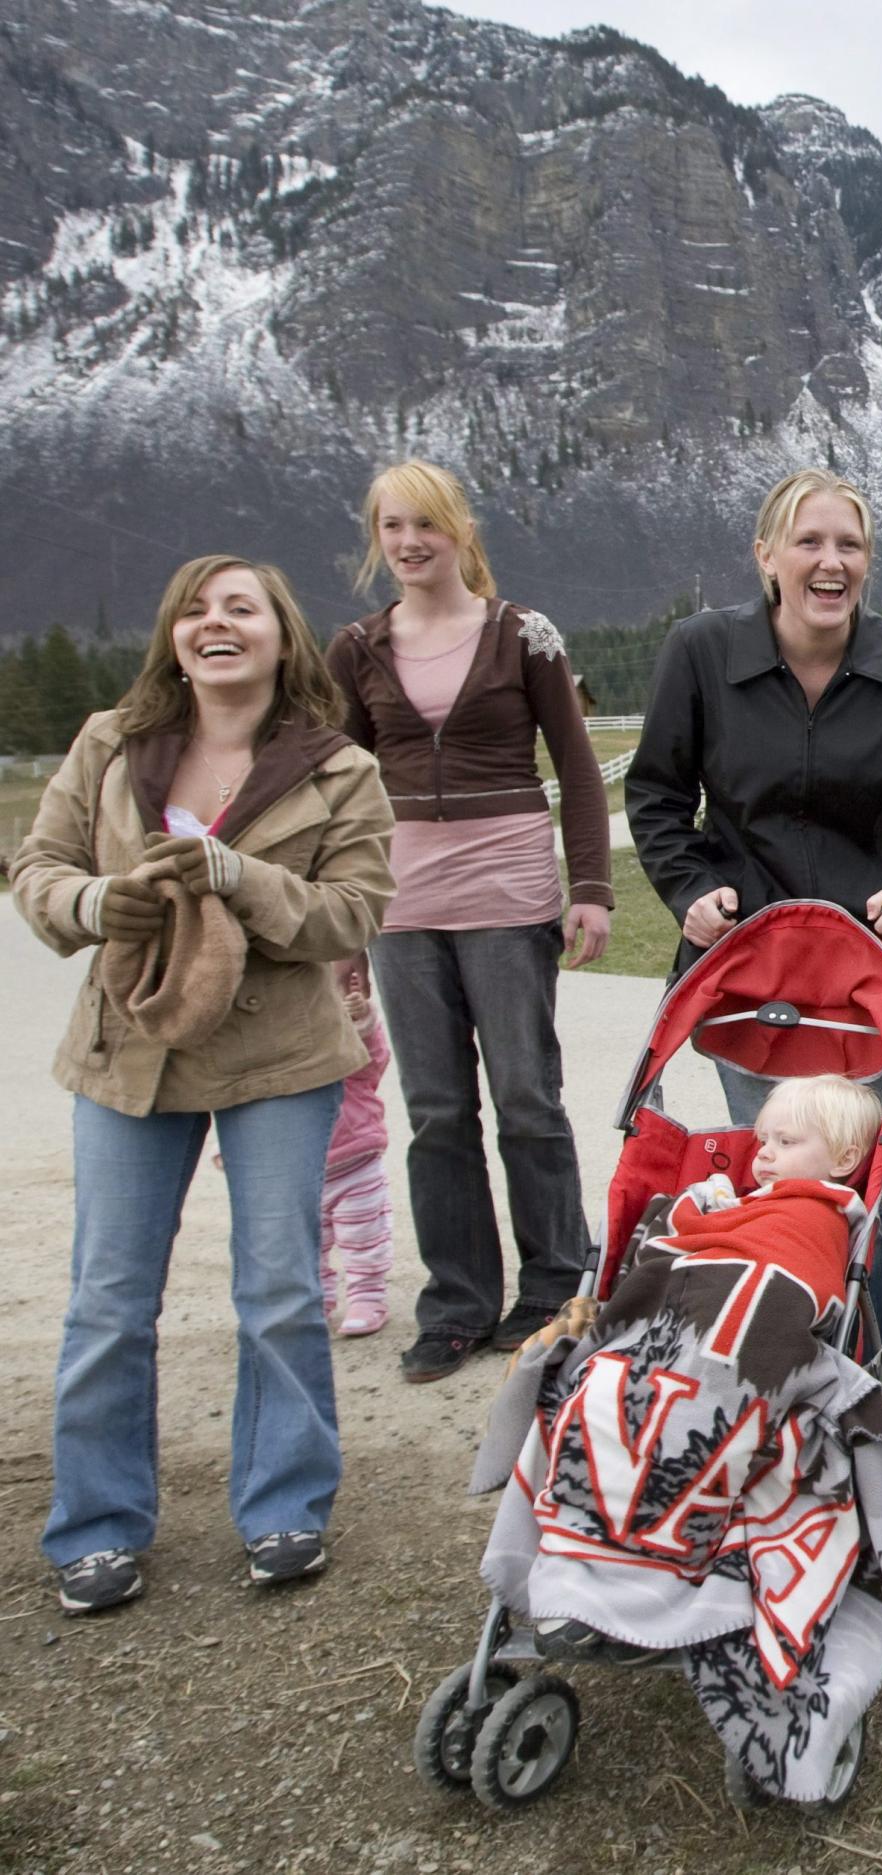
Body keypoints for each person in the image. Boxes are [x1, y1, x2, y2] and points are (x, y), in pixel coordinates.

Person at [14, 554, 395, 1614]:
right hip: (128, 1049)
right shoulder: (110, 743)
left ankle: (284, 1510)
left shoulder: (337, 770)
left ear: (281, 636)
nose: (213, 621)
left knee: (277, 1292)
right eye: (195, 608)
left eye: (240, 607)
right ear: (172, 637)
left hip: (279, 1053)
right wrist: (100, 907)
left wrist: (243, 878)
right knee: (107, 1297)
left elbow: (355, 913)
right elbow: (36, 871)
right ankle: (96, 1526)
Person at [477, 1074, 882, 1803]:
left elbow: (783, 1277)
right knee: (591, 1397)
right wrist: (686, 1215)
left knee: (684, 1421)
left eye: (783, 1141)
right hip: (671, 1336)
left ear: (843, 1159)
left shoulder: (825, 1213)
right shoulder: (744, 1200)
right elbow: (670, 1252)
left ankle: (627, 1584)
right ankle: (580, 1580)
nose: (762, 1153)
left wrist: (698, 1219)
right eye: (762, 1139)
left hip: (738, 1342)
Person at [625, 469, 882, 1352]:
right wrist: (689, 888)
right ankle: (768, 1374)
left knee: (859, 1190)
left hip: (867, 977)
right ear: (766, 556)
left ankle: (860, 1381)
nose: (831, 562)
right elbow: (657, 795)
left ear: (867, 563)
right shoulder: (701, 651)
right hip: (748, 974)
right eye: (810, 542)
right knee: (772, 1177)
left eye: (849, 545)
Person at [326, 459, 614, 1385]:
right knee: (437, 1109)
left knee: (526, 1097)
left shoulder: (521, 636)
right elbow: (339, 792)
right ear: (378, 540)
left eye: (428, 525)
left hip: (509, 893)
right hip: (401, 906)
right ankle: (455, 1304)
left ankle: (554, 1286)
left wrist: (592, 888)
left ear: (461, 531)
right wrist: (343, 919)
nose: (410, 542)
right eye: (392, 528)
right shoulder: (357, 649)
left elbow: (574, 766)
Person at [319, 953, 395, 1337]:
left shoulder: (348, 1039)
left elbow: (374, 1062)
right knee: (305, 1243)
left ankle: (368, 1295)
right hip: (304, 1168)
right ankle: (317, 1297)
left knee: (364, 1240)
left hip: (355, 1162)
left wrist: (362, 1021)